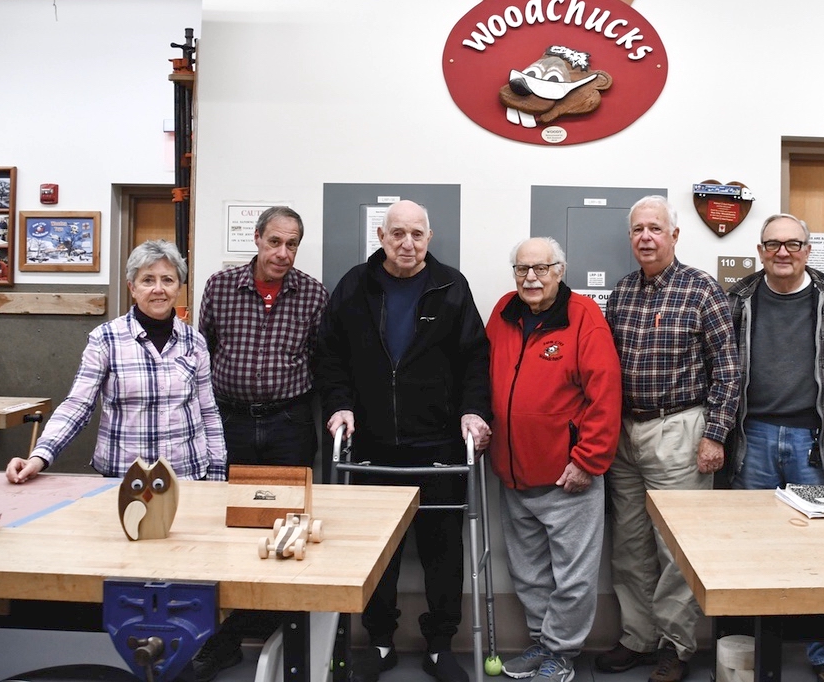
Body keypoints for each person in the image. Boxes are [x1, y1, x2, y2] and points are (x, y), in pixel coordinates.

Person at [316, 200, 491, 682]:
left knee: (442, 550)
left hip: (438, 445)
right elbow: (329, 356)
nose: (407, 243)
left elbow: (475, 358)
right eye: (397, 234)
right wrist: (338, 405)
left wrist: (475, 411)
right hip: (370, 442)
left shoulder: (451, 286)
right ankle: (378, 642)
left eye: (416, 234)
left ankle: (440, 646)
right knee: (378, 552)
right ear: (381, 235)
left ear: (429, 237)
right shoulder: (355, 285)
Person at [725, 214, 824, 682]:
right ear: (761, 250)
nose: (782, 252)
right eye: (773, 244)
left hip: (815, 442)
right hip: (753, 440)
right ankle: (750, 640)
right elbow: (721, 372)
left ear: (808, 250)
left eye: (793, 244)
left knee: (821, 549)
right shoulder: (737, 300)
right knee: (751, 545)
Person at [599, 196, 739, 682]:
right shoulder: (620, 293)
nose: (645, 237)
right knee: (630, 545)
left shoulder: (702, 291)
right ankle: (638, 638)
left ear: (674, 236)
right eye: (638, 229)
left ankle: (676, 647)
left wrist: (715, 434)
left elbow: (728, 370)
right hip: (625, 434)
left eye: (655, 228)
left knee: (674, 547)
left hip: (680, 429)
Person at [192, 206, 329, 681]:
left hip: (289, 424)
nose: (283, 253)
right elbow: (200, 351)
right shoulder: (220, 286)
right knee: (228, 529)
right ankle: (225, 640)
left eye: (292, 244)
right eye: (275, 242)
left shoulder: (313, 294)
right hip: (229, 423)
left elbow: (322, 360)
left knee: (286, 530)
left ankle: (281, 634)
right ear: (256, 239)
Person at [486, 238, 621, 682]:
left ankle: (561, 653)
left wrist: (588, 459)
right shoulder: (504, 312)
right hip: (513, 473)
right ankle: (540, 644)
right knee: (527, 574)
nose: (531, 278)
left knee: (574, 577)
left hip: (568, 476)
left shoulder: (584, 317)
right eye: (523, 269)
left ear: (561, 270)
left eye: (542, 268)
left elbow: (604, 395)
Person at [6, 240, 226, 484]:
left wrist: (217, 472)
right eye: (148, 280)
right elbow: (78, 405)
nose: (158, 288)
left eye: (168, 280)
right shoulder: (106, 339)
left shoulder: (194, 342)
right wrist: (39, 457)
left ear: (178, 287)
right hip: (123, 477)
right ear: (132, 287)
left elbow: (208, 411)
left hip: (186, 476)